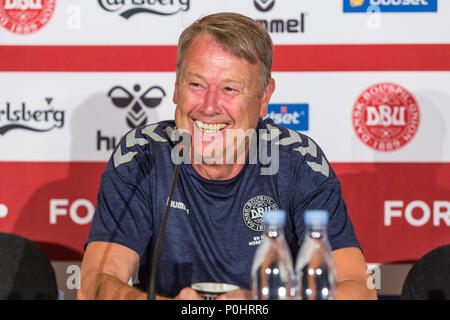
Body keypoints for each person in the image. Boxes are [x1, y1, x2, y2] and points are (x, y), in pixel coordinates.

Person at [78, 12, 377, 300]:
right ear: (176, 87)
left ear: (264, 98)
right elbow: (93, 286)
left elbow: (359, 291)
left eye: (230, 89)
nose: (209, 107)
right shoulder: (141, 156)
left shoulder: (298, 163)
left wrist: (258, 304)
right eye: (196, 84)